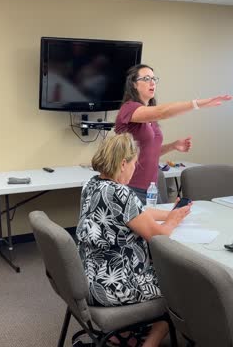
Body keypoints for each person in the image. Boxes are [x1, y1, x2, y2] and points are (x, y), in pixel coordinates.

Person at [76, 133, 191, 347]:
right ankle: (150, 344)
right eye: (133, 164)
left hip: (87, 279)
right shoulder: (121, 193)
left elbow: (138, 213)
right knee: (183, 283)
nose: (134, 169)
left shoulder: (91, 185)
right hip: (114, 286)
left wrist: (170, 214)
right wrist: (173, 221)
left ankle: (124, 334)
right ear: (122, 163)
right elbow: (160, 237)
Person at [115, 64, 232, 202]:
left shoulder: (150, 116)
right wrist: (196, 104)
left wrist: (173, 146)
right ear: (134, 84)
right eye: (146, 78)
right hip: (130, 189)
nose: (152, 82)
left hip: (151, 190)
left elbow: (148, 153)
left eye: (154, 78)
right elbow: (163, 112)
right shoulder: (129, 109)